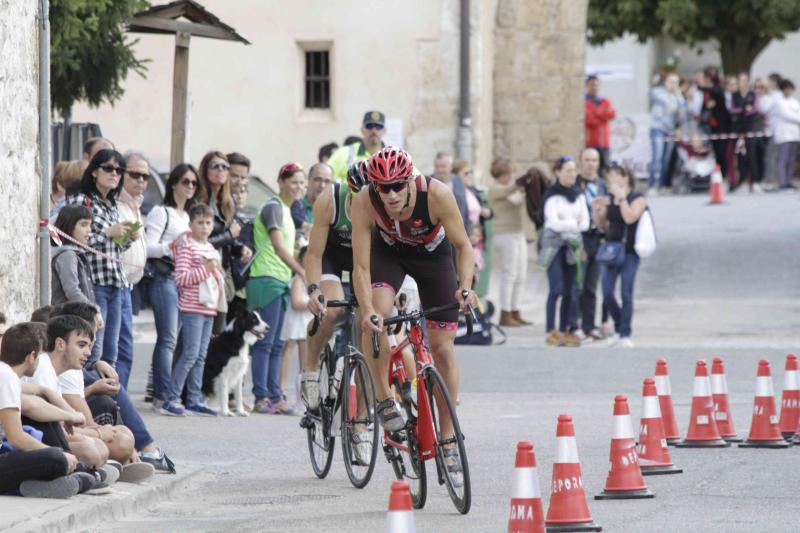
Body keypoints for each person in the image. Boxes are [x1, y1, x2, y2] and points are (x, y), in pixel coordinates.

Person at [351, 147, 476, 467]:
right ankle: (383, 399)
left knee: (443, 349)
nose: (391, 194)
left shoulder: (436, 194)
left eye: (397, 186)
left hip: (434, 260)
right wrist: (366, 310)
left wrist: (465, 289)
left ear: (409, 180)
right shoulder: (366, 200)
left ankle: (448, 437)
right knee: (377, 317)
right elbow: (361, 268)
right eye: (383, 187)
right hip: (389, 255)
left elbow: (463, 246)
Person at [50, 302, 176, 473]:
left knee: (118, 434)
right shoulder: (55, 370)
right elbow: (71, 426)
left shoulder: (73, 368)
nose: (89, 350)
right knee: (101, 446)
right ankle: (106, 465)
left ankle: (112, 463)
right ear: (60, 344)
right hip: (49, 442)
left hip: (64, 434)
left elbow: (72, 418)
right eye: (83, 344)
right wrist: (101, 434)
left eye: (90, 342)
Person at [303, 161, 370, 413]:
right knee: (332, 310)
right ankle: (310, 365)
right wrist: (313, 290)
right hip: (330, 256)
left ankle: (363, 422)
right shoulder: (330, 199)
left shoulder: (383, 206)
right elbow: (313, 254)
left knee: (369, 323)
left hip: (361, 260)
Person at [0, 323, 92, 499]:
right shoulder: (7, 377)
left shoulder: (6, 375)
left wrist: (57, 403)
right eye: (41, 355)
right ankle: (73, 478)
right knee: (53, 458)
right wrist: (59, 454)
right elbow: (17, 438)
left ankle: (75, 473)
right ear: (31, 357)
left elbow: (35, 397)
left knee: (48, 421)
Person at [66, 149, 135, 369]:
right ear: (95, 171)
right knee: (93, 348)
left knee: (112, 351)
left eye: (119, 170)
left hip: (116, 282)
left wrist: (127, 237)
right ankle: (90, 398)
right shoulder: (82, 199)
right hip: (94, 282)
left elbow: (115, 247)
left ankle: (108, 399)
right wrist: (107, 233)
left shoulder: (112, 203)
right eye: (108, 168)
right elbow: (71, 238)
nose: (114, 173)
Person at [247, 163, 306, 414]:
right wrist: (302, 270)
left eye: (302, 183)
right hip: (265, 279)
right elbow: (280, 248)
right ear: (281, 181)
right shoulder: (273, 207)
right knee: (265, 343)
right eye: (294, 182)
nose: (299, 187)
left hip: (279, 280)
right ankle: (261, 397)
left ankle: (274, 395)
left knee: (276, 344)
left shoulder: (287, 209)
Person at [161, 204, 225, 417]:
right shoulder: (187, 247)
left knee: (200, 357)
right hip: (191, 307)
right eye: (200, 222)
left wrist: (215, 272)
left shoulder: (212, 249)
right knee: (189, 354)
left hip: (209, 308)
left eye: (208, 222)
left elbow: (218, 278)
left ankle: (194, 399)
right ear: (190, 224)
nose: (205, 227)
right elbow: (181, 278)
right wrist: (205, 269)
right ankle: (172, 398)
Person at [145, 164, 196, 414]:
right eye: (185, 181)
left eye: (193, 183)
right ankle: (162, 394)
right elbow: (147, 247)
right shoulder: (161, 212)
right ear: (174, 183)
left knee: (174, 339)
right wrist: (171, 246)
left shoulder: (187, 216)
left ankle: (166, 392)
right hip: (164, 277)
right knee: (168, 338)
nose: (190, 187)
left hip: (183, 281)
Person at [197, 151, 252, 334]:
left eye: (224, 167)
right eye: (215, 166)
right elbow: (199, 243)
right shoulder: (199, 200)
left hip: (222, 274)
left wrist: (239, 249)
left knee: (215, 334)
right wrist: (229, 237)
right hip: (201, 273)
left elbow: (230, 240)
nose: (221, 170)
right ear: (205, 170)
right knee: (195, 339)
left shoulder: (227, 202)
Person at [593, 164, 647, 348]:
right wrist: (598, 210)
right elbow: (602, 225)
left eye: (615, 178)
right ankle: (618, 325)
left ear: (625, 178)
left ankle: (625, 333)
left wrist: (621, 198)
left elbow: (630, 217)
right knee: (607, 291)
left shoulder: (636, 198)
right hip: (611, 249)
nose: (611, 182)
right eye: (609, 179)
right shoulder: (609, 198)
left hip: (630, 251)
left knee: (626, 292)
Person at [540, 157, 589, 347]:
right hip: (553, 247)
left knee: (570, 290)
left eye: (574, 170)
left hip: (572, 245)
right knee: (556, 289)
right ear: (558, 172)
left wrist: (567, 224)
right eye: (568, 170)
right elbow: (552, 222)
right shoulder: (552, 196)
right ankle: (550, 330)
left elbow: (585, 222)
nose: (572, 174)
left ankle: (565, 329)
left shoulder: (579, 195)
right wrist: (571, 224)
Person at [116, 153, 149, 390]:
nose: (140, 180)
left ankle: (119, 402)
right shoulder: (117, 204)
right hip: (115, 283)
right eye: (135, 174)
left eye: (144, 176)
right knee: (117, 349)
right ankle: (112, 403)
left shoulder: (136, 205)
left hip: (130, 285)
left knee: (126, 349)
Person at [487, 158, 530, 327]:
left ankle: (515, 310)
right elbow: (510, 191)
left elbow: (517, 195)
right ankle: (505, 313)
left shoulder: (509, 189)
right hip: (504, 234)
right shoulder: (495, 189)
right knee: (509, 274)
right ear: (500, 174)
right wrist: (522, 182)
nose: (509, 176)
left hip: (518, 233)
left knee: (521, 275)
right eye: (507, 173)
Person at [575, 148, 606, 341]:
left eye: (594, 160)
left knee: (592, 286)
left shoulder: (602, 184)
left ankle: (590, 326)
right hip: (581, 238)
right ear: (581, 162)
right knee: (578, 285)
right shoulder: (575, 184)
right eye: (587, 160)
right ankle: (575, 324)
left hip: (598, 238)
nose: (590, 164)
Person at [279, 246, 312, 415]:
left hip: (306, 320)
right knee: (290, 353)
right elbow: (296, 302)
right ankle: (282, 392)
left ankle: (301, 400)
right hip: (298, 321)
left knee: (304, 363)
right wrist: (313, 305)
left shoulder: (314, 278)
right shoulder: (300, 279)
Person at [452, 160, 492, 285]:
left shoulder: (472, 190)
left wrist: (486, 212)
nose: (469, 176)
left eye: (471, 173)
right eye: (466, 173)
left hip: (475, 238)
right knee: (463, 277)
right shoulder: (455, 193)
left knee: (472, 276)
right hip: (465, 237)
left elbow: (481, 211)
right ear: (456, 175)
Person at [51, 205, 95, 305]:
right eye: (83, 225)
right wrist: (94, 310)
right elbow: (72, 291)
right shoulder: (67, 255)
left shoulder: (76, 253)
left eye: (90, 225)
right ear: (69, 226)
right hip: (70, 317)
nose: (89, 230)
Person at [648, 72, 684, 194]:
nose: (673, 84)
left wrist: (679, 98)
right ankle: (652, 185)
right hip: (657, 128)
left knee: (666, 159)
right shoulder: (659, 92)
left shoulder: (677, 97)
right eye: (671, 81)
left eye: (676, 82)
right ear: (666, 82)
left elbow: (682, 115)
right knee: (656, 158)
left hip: (670, 130)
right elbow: (651, 93)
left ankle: (663, 185)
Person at [327, 111, 387, 183]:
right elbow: (324, 176)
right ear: (362, 130)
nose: (374, 131)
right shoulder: (344, 153)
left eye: (378, 127)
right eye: (369, 126)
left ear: (384, 131)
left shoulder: (392, 156)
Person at [729, 73, 762, 193]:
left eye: (744, 80)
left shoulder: (753, 94)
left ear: (748, 81)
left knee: (752, 155)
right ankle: (742, 181)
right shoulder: (735, 95)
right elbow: (732, 109)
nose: (742, 82)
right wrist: (744, 109)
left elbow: (755, 109)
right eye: (740, 80)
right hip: (739, 128)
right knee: (740, 155)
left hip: (750, 127)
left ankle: (755, 182)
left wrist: (744, 110)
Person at [431, 153, 471, 234]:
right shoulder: (428, 182)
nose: (440, 170)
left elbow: (465, 207)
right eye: (437, 166)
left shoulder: (458, 181)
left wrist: (467, 232)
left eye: (443, 166)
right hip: (436, 233)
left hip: (457, 231)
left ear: (451, 167)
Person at [291, 162, 333, 235]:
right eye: (318, 179)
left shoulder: (333, 212)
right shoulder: (294, 204)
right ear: (307, 180)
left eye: (327, 181)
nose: (322, 185)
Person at [584, 75, 616, 170]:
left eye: (596, 85)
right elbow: (590, 121)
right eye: (592, 85)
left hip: (604, 143)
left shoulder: (605, 101)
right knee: (592, 169)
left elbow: (612, 114)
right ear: (587, 86)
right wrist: (602, 115)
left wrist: (596, 113)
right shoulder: (584, 102)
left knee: (606, 169)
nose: (594, 87)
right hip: (591, 143)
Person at [773, 78, 800, 191]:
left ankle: (789, 181)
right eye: (786, 89)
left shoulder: (795, 102)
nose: (788, 91)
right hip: (784, 135)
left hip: (795, 134)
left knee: (791, 159)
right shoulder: (779, 102)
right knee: (783, 158)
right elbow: (787, 115)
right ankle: (782, 182)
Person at [757, 73, 783, 187]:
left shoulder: (776, 96)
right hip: (762, 130)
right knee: (763, 156)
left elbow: (766, 110)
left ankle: (771, 180)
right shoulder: (764, 97)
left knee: (771, 156)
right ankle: (764, 178)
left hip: (773, 129)